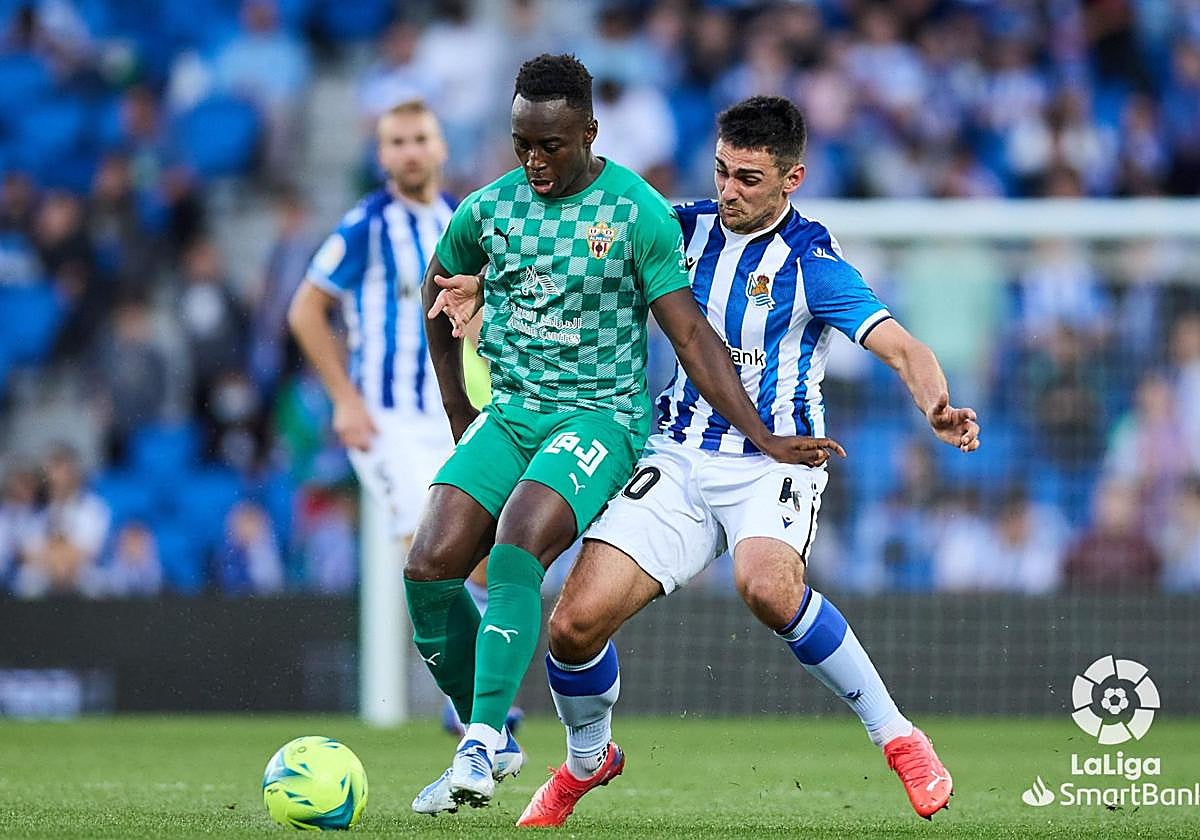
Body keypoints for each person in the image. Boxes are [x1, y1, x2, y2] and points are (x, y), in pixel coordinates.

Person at [508, 96, 979, 826]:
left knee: (765, 585)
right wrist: (487, 283)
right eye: (723, 171)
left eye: (750, 179)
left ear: (792, 179)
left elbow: (902, 347)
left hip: (778, 459)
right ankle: (586, 760)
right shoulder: (682, 228)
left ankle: (901, 739)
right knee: (570, 627)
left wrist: (936, 405)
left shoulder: (813, 262)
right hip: (679, 452)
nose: (729, 190)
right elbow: (571, 262)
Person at [409, 57, 838, 814]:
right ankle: (500, 742)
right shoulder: (489, 209)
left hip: (600, 417)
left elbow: (695, 339)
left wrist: (763, 436)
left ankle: (478, 740)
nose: (534, 161)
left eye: (551, 145)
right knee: (429, 565)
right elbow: (436, 289)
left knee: (516, 546)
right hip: (510, 413)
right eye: (522, 144)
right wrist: (457, 415)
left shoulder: (635, 211)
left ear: (588, 133)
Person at [288, 100, 500, 730]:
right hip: (385, 418)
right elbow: (305, 310)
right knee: (432, 550)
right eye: (396, 141)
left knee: (486, 555)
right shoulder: (367, 225)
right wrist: (345, 400)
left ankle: (475, 696)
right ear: (381, 156)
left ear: (440, 148)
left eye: (419, 139)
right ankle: (474, 708)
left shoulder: (458, 222)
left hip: (452, 413)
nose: (409, 151)